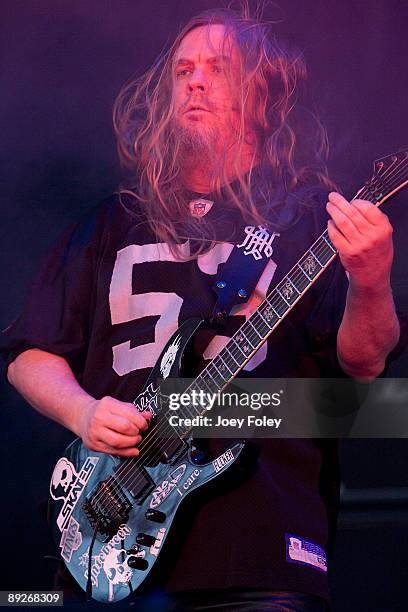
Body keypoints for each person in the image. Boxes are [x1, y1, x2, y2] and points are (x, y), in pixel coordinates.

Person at [0, 6, 401, 611]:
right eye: (184, 69)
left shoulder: (312, 220)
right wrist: (84, 415)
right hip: (105, 552)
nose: (195, 80)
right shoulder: (112, 220)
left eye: (218, 67)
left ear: (260, 96)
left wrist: (370, 281)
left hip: (259, 553)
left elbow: (366, 371)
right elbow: (29, 352)